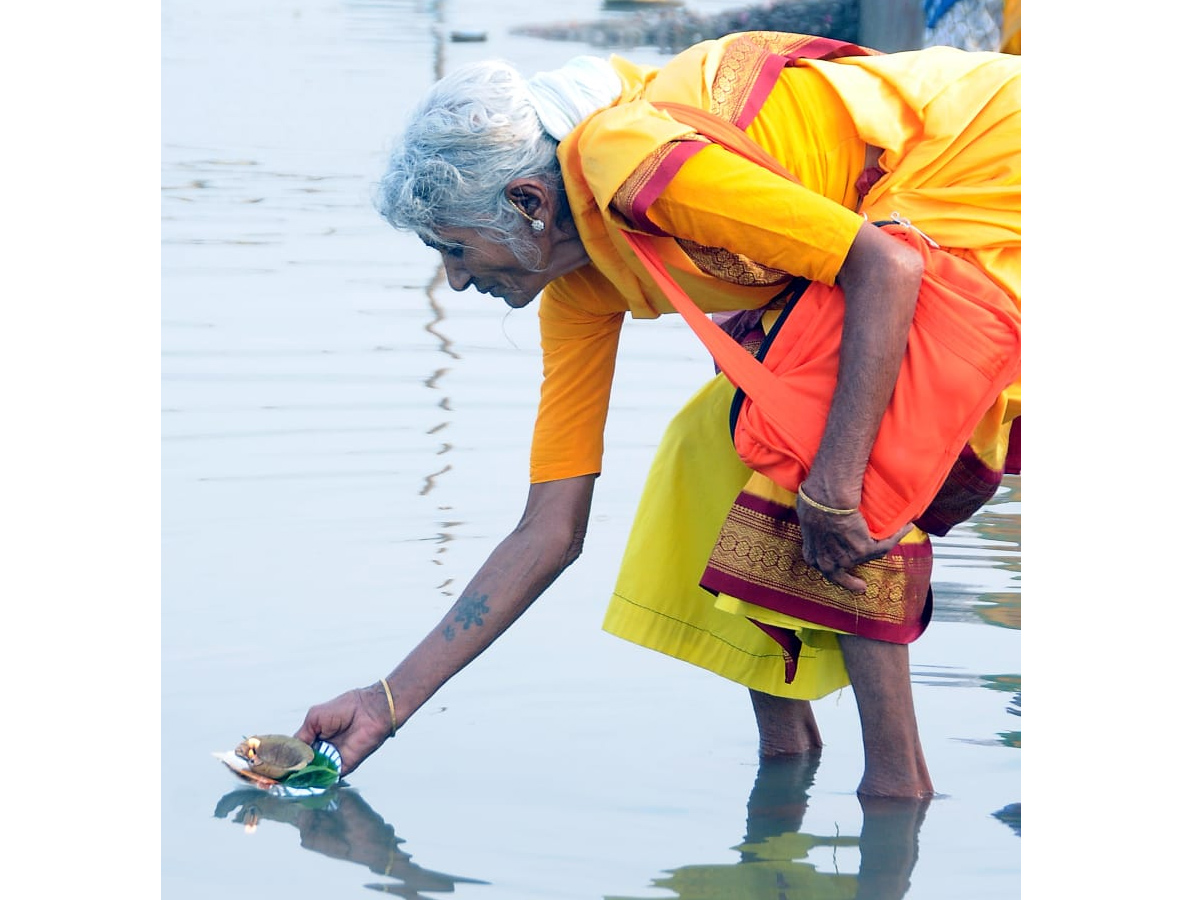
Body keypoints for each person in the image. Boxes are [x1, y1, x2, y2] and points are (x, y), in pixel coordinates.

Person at [296, 31, 1021, 800]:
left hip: (987, 161)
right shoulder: (575, 283)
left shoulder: (629, 161)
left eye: (455, 248)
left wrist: (835, 486)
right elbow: (550, 529)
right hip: (877, 229)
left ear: (529, 203)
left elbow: (886, 265)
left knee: (815, 458)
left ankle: (896, 789)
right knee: (712, 443)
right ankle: (787, 758)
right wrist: (388, 701)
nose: (454, 277)